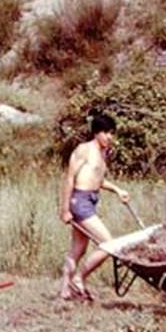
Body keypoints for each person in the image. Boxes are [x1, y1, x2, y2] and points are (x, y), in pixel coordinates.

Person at [58, 112, 131, 302]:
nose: (110, 137)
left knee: (78, 249)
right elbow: (69, 179)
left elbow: (97, 179)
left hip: (90, 200)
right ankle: (78, 279)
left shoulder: (103, 153)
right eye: (106, 133)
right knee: (108, 245)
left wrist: (117, 190)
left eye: (112, 133)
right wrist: (64, 209)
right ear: (96, 132)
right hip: (79, 202)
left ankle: (65, 291)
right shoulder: (84, 149)